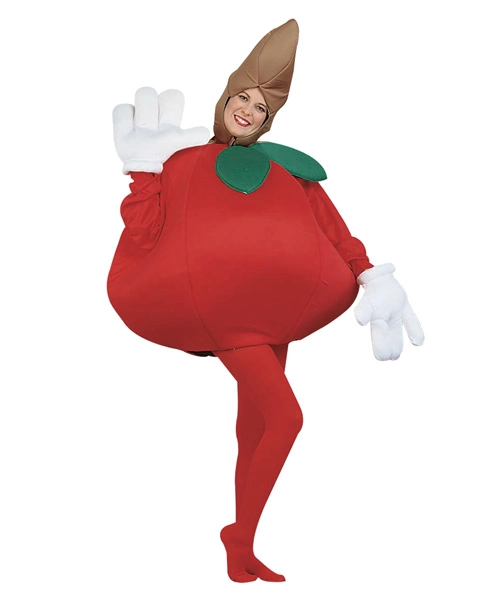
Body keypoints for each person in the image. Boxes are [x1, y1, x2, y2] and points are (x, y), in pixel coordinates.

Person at [108, 19, 424, 583]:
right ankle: (240, 535)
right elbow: (145, 231)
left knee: (254, 424)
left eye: (262, 107)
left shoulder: (289, 169)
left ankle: (242, 547)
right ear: (226, 98)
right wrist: (142, 173)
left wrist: (372, 276)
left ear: (268, 119)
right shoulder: (181, 159)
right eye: (243, 98)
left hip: (276, 312)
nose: (249, 111)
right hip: (233, 321)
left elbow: (335, 231)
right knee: (286, 417)